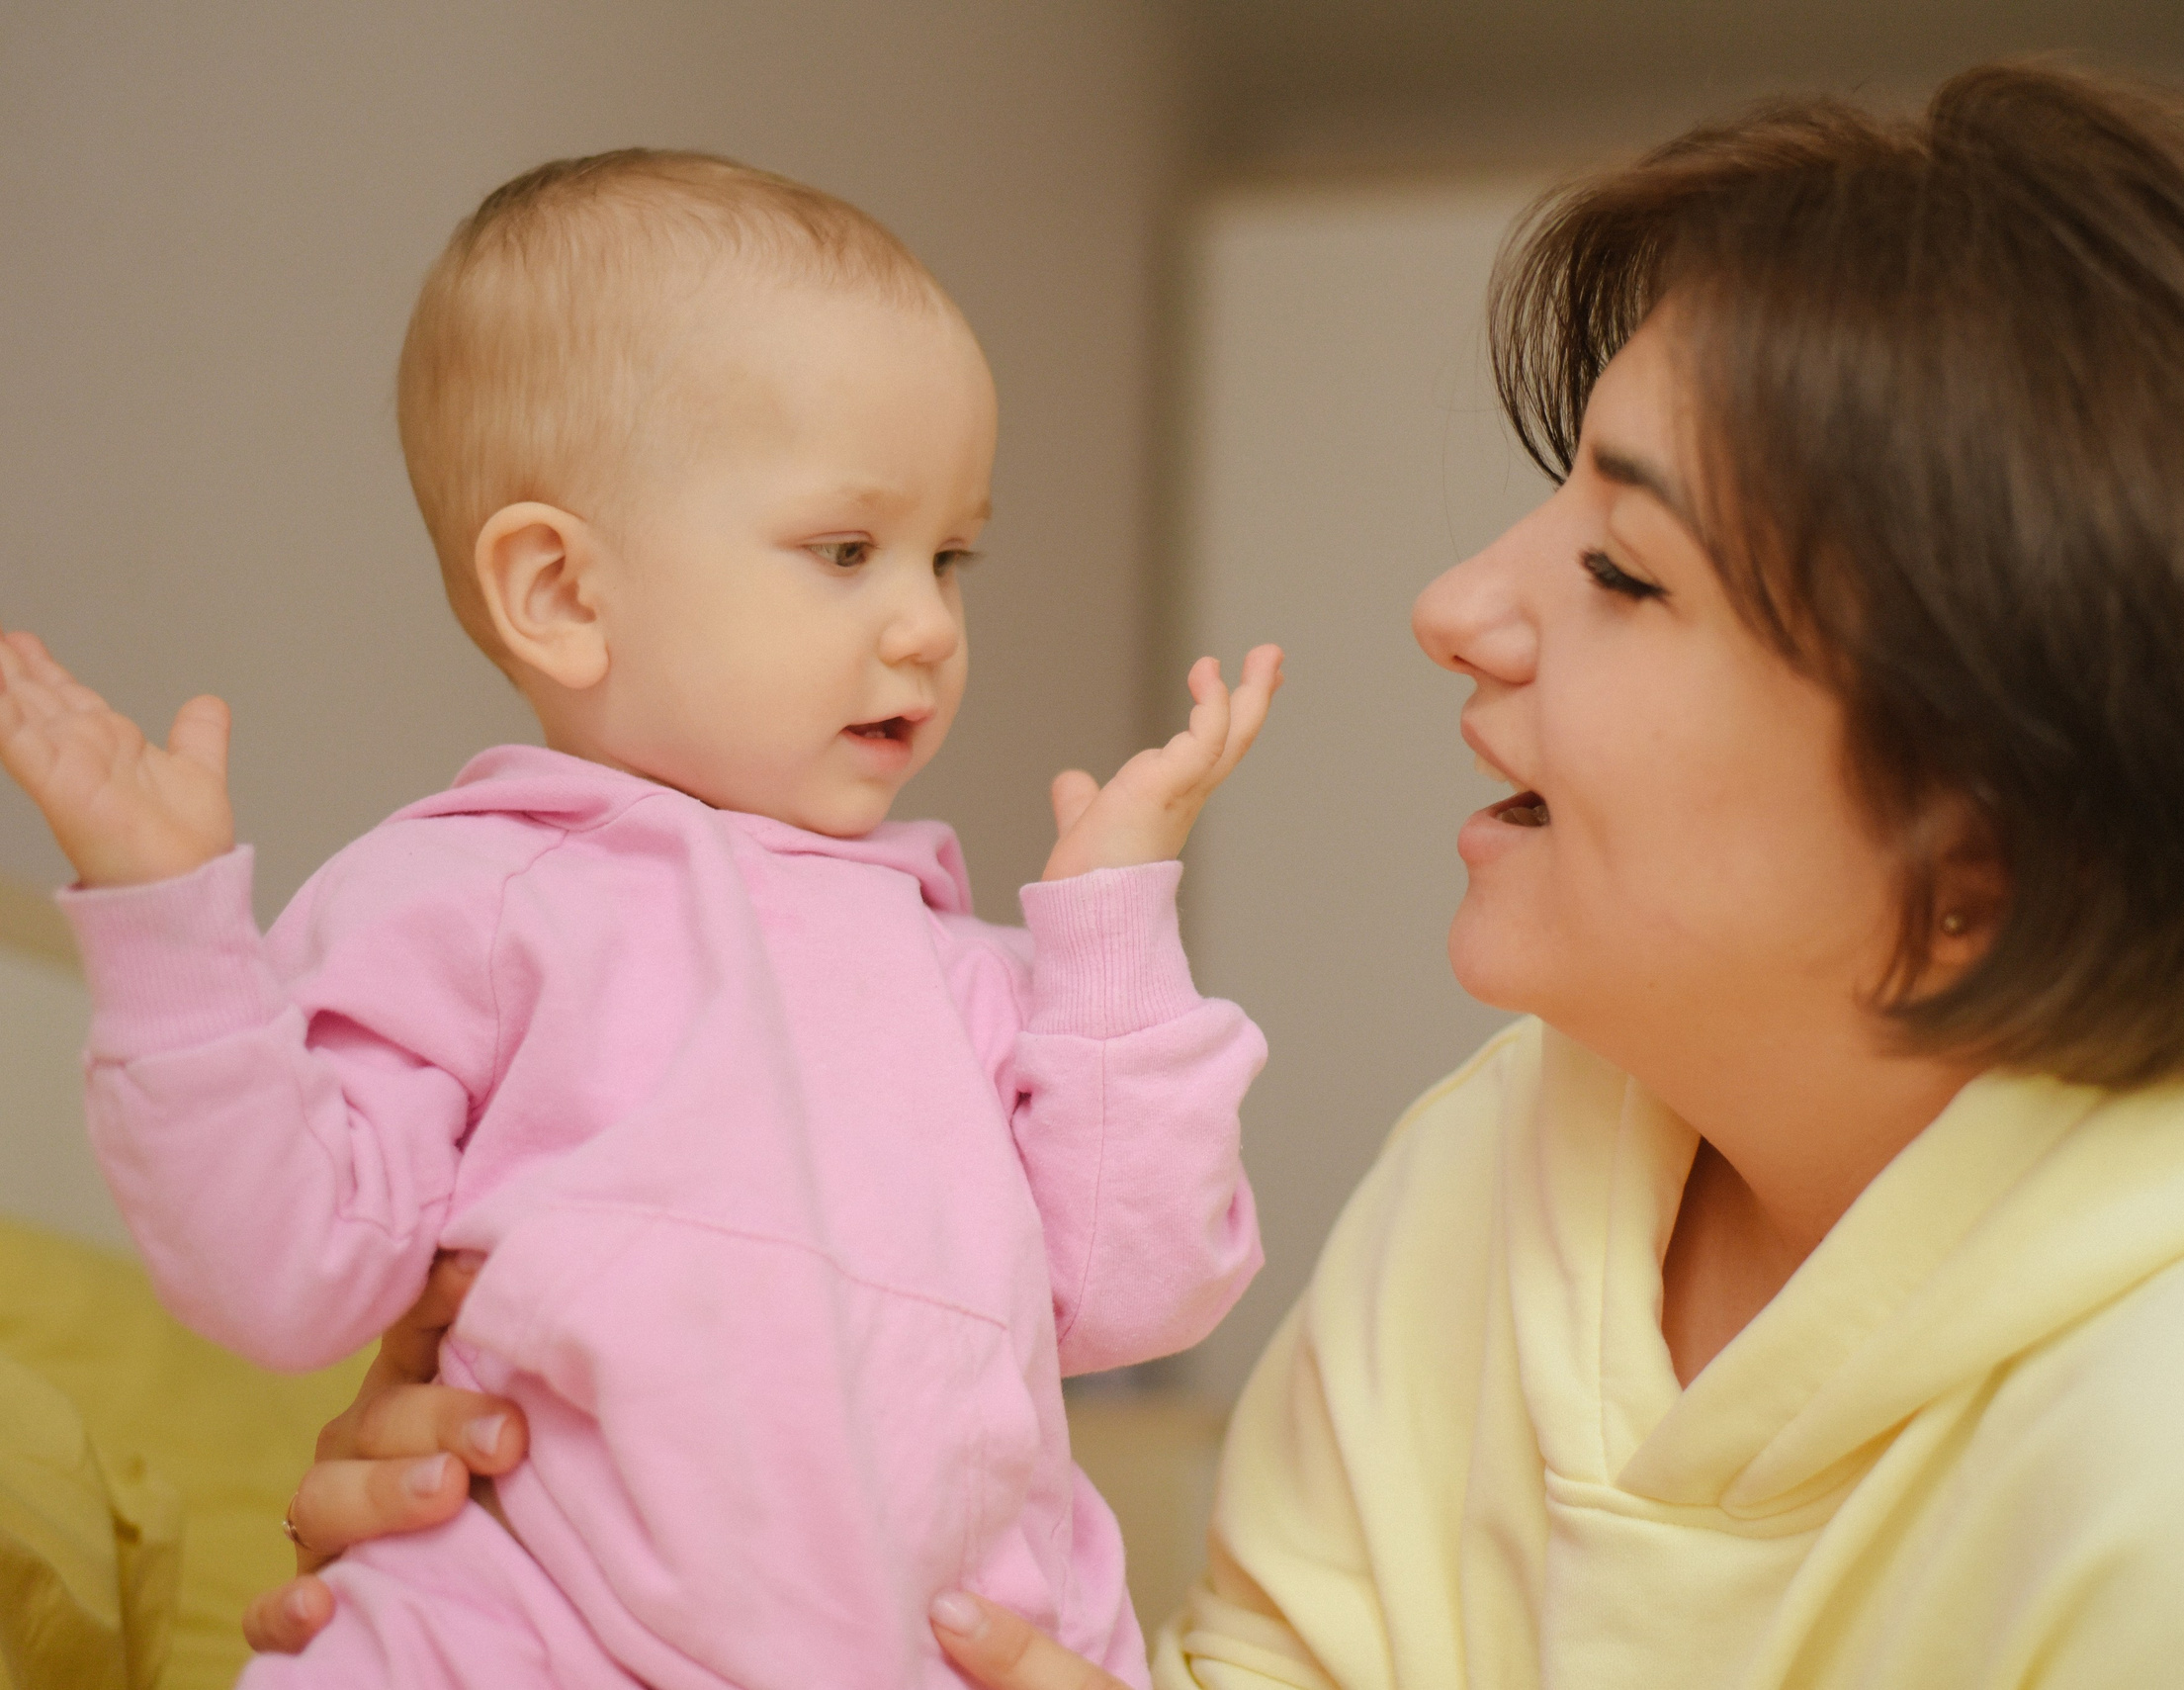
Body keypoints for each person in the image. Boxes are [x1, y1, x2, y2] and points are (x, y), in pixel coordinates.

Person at [250, 64, 2184, 1687]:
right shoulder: (1532, 1155)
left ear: (1982, 846)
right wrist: (623, 1563)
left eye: (1623, 574)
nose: (1459, 601)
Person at [0, 151, 1283, 1688]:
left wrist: (1109, 934)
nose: (930, 622)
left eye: (951, 555)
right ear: (560, 589)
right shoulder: (473, 902)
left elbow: (1137, 1290)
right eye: (847, 551)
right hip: (519, 1640)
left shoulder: (963, 968)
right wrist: (167, 930)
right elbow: (283, 1270)